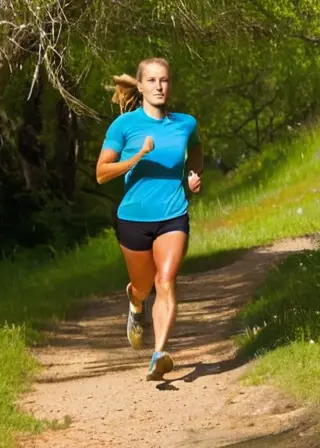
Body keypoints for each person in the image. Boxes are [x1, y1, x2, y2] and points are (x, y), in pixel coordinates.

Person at [95, 57, 203, 381]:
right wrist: (138, 156)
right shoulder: (124, 126)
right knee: (143, 286)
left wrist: (193, 174)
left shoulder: (186, 123)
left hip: (173, 214)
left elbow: (196, 150)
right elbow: (101, 173)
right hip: (133, 218)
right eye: (152, 80)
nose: (159, 86)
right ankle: (135, 303)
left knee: (165, 281)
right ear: (139, 86)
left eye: (165, 80)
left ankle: (159, 354)